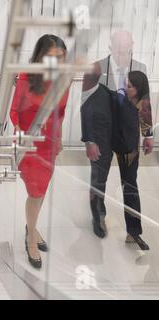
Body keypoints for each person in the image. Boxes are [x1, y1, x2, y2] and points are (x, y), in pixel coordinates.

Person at [81, 30, 153, 247]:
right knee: (98, 179)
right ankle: (98, 216)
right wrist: (88, 139)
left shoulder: (140, 68)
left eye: (127, 50)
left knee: (130, 182)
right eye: (119, 50)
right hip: (101, 137)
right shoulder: (96, 69)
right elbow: (85, 105)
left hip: (128, 138)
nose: (124, 54)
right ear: (111, 47)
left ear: (132, 46)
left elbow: (145, 105)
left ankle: (134, 230)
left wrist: (148, 134)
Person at [10, 34, 69, 269]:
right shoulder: (26, 77)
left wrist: (60, 139)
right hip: (30, 144)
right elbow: (14, 111)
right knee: (35, 192)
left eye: (61, 57)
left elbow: (61, 112)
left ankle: (30, 227)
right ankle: (30, 237)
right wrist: (18, 134)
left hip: (49, 143)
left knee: (41, 191)